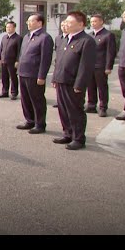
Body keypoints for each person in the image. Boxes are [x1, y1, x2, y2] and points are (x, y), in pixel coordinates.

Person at [51, 12, 97, 150]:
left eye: (70, 22)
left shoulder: (86, 41)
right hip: (62, 80)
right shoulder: (65, 39)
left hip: (73, 83)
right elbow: (58, 61)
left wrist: (80, 84)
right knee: (63, 109)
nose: (67, 24)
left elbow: (85, 65)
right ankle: (68, 133)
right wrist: (55, 77)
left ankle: (78, 138)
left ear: (81, 24)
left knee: (75, 110)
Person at [16, 13, 54, 134]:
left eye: (31, 21)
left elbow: (45, 59)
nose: (28, 23)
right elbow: (22, 54)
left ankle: (40, 124)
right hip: (23, 73)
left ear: (39, 23)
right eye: (28, 21)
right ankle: (30, 120)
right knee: (25, 99)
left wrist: (42, 76)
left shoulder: (45, 37)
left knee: (37, 100)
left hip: (34, 74)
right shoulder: (26, 36)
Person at [86, 14, 116, 117]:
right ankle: (91, 105)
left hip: (101, 66)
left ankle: (103, 107)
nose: (93, 23)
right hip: (90, 66)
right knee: (90, 87)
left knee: (102, 87)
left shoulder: (107, 35)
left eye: (95, 21)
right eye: (91, 22)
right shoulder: (89, 35)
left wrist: (108, 67)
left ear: (101, 22)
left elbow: (110, 52)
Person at [0, 21, 22, 100]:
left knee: (13, 77)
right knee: (4, 77)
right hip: (4, 60)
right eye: (7, 27)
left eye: (10, 27)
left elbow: (19, 51)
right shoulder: (4, 37)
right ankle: (4, 92)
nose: (8, 29)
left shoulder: (18, 38)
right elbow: (1, 48)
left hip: (12, 61)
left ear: (14, 28)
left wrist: (17, 61)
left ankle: (14, 93)